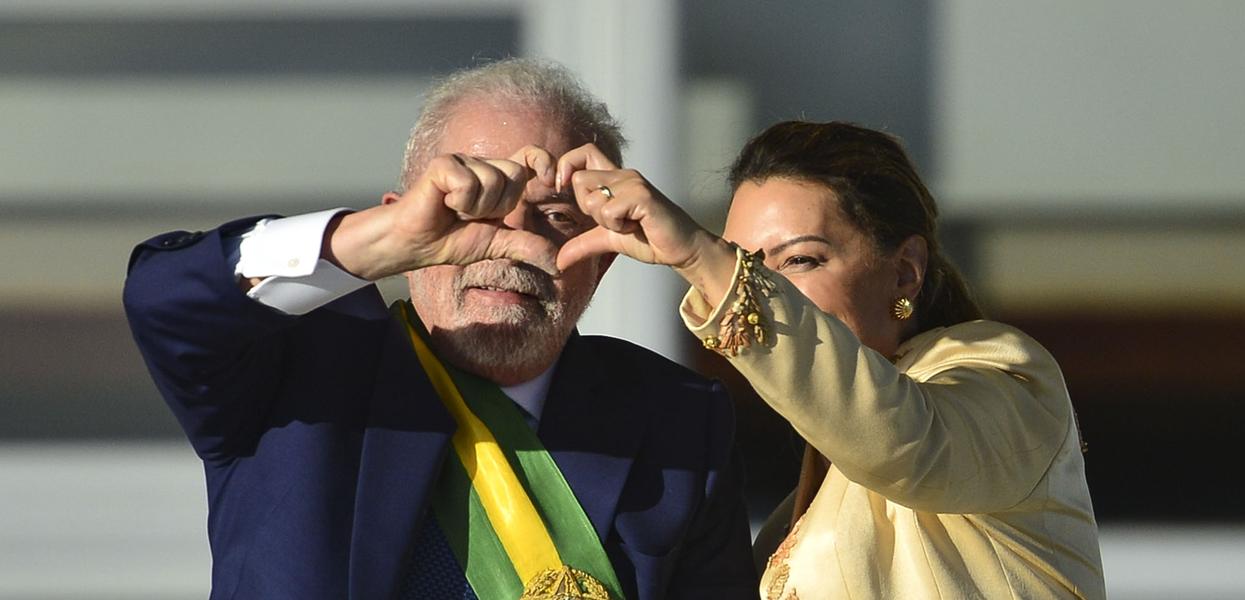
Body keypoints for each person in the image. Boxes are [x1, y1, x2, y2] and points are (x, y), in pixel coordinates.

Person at [123, 58, 756, 600]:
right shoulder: (293, 362)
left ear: (606, 252)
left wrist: (703, 255)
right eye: (472, 204)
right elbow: (164, 301)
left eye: (557, 215)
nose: (510, 241)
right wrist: (373, 243)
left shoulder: (678, 419)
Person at [550, 121, 1105, 599]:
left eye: (799, 260)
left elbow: (903, 440)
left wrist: (702, 258)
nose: (764, 288)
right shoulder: (795, 516)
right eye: (745, 265)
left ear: (905, 270)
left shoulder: (1005, 377)